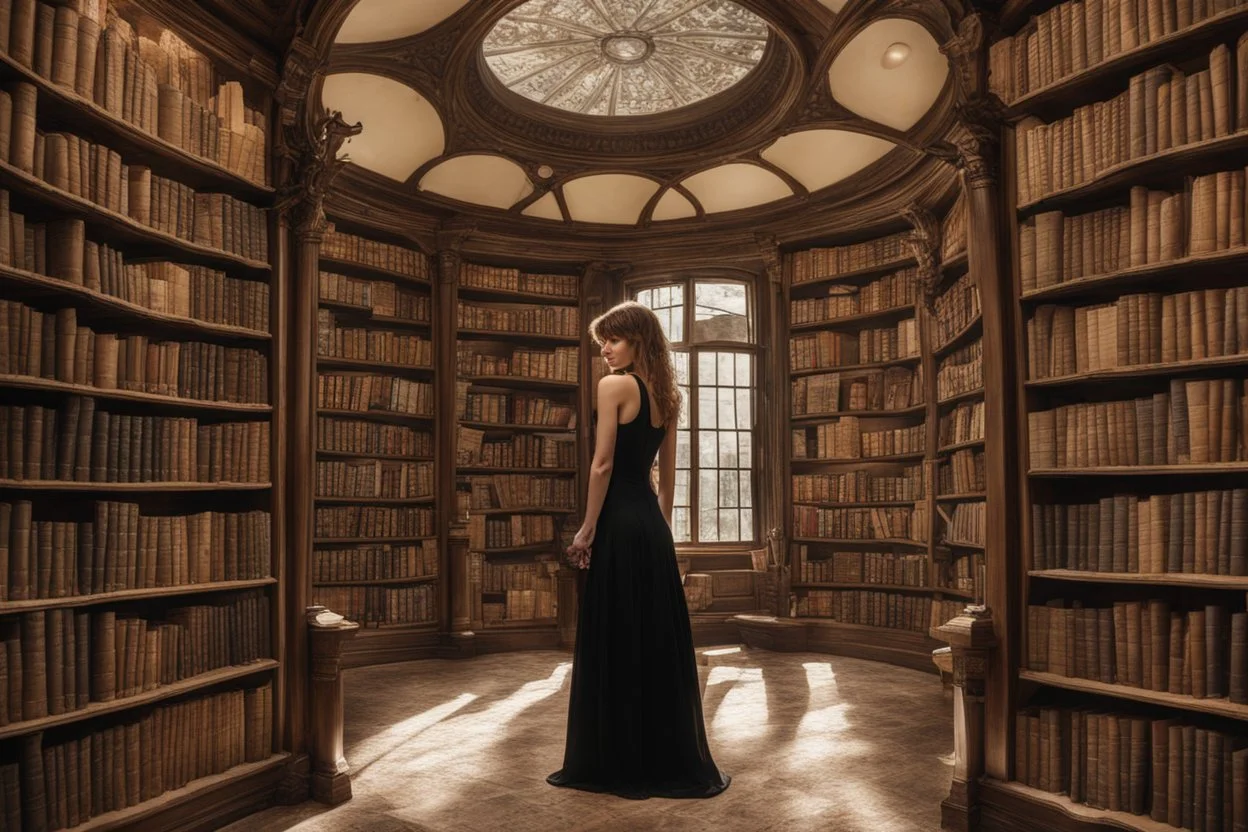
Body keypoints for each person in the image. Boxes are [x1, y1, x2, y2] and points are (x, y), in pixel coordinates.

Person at [546, 300, 731, 800]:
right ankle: (663, 755)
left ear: (640, 341)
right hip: (650, 526)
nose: (605, 349)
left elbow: (602, 465)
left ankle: (616, 757)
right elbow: (665, 481)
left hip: (620, 521)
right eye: (602, 340)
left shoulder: (614, 386)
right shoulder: (668, 396)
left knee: (618, 633)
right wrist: (659, 532)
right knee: (651, 638)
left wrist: (587, 529)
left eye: (615, 339)